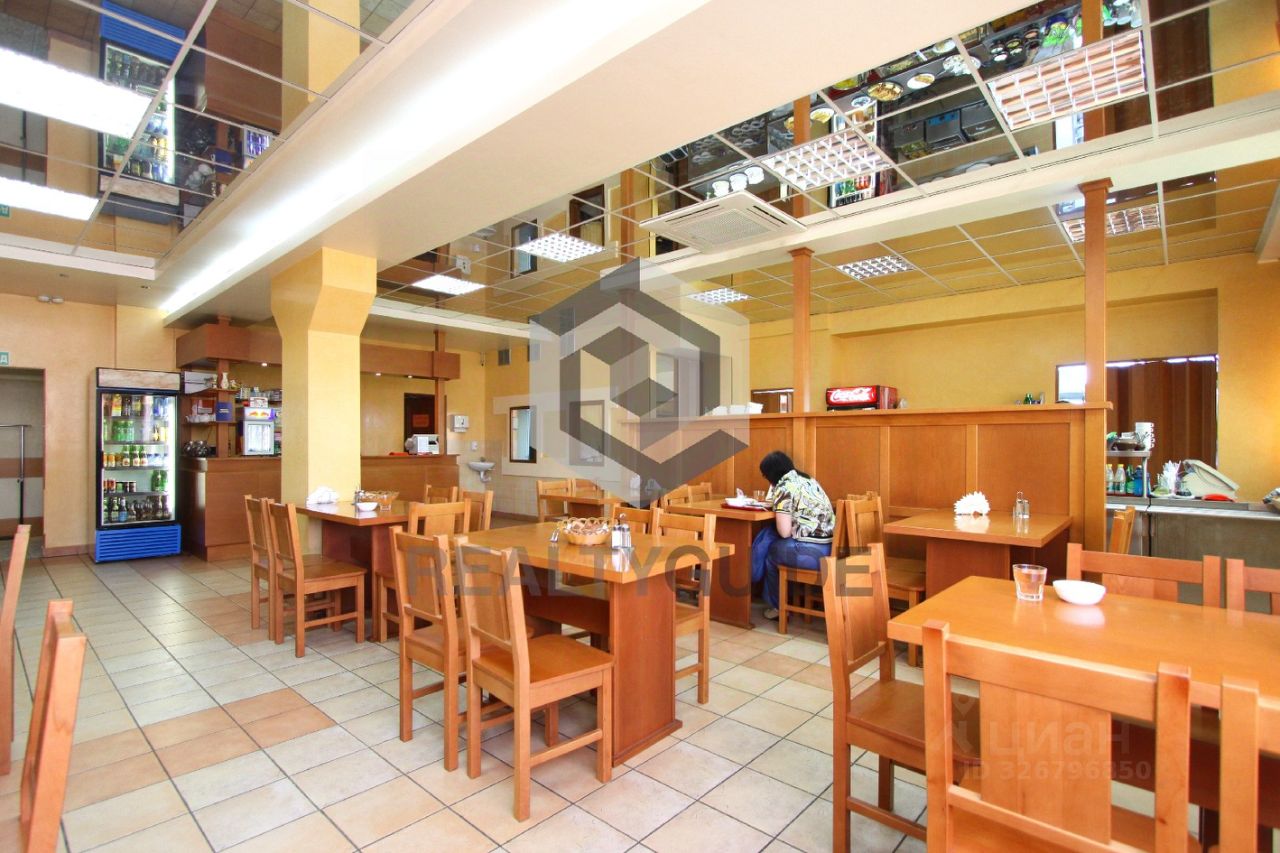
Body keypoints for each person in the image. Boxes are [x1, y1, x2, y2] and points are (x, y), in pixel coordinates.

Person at [750, 450, 835, 621]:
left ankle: (778, 607)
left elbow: (784, 532)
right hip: (830, 549)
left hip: (812, 554)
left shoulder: (784, 488)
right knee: (770, 538)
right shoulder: (809, 480)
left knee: (770, 551)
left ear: (771, 476)